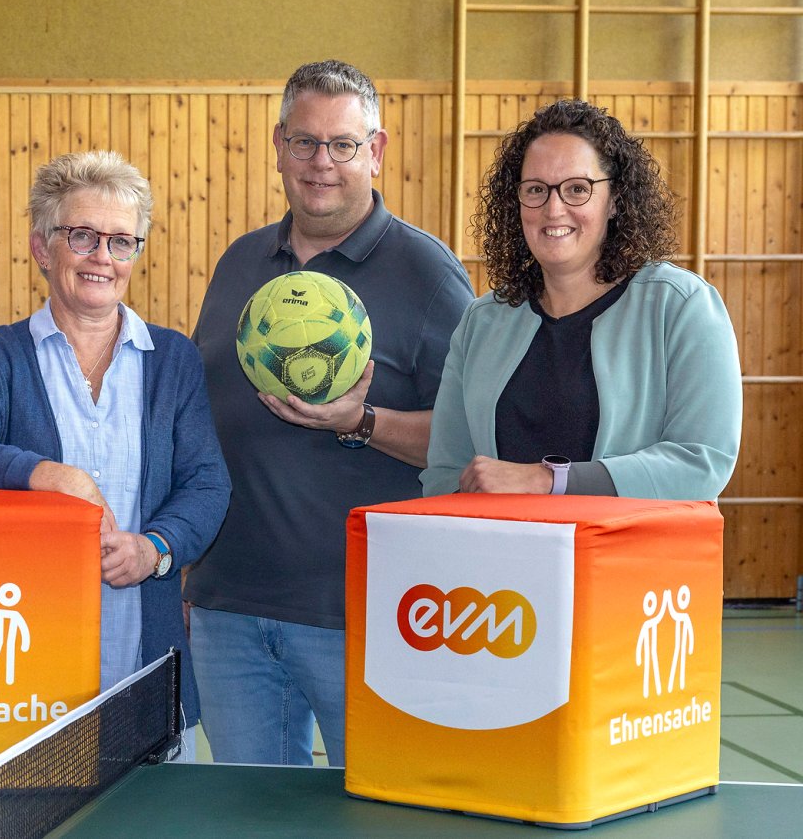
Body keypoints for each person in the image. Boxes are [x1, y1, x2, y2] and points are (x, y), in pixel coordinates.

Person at [187, 60, 472, 766]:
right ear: (279, 145)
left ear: (374, 151)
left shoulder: (431, 277)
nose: (322, 163)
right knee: (248, 822)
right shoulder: (241, 264)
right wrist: (191, 569)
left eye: (343, 144)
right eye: (305, 142)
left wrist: (362, 421)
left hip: (368, 617)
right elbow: (206, 425)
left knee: (376, 816)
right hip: (231, 611)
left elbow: (471, 444)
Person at [0, 151, 230, 759]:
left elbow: (207, 483)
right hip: (26, 681)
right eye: (83, 237)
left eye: (122, 242)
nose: (103, 258)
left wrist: (155, 548)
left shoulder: (173, 360)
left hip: (149, 676)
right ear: (43, 247)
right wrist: (50, 475)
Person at [422, 99, 741, 499]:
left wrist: (550, 480)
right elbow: (444, 476)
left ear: (616, 200)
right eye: (536, 190)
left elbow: (702, 461)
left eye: (577, 189)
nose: (553, 209)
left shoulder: (680, 307)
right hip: (504, 559)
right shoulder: (481, 322)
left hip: (631, 560)